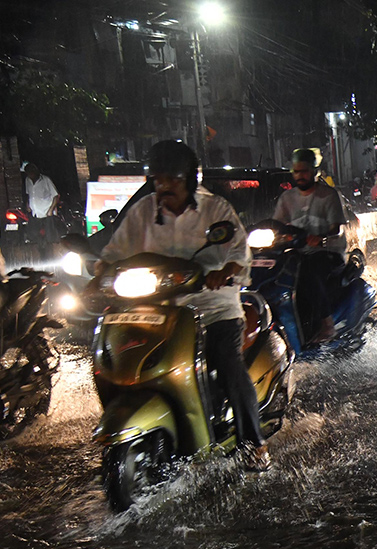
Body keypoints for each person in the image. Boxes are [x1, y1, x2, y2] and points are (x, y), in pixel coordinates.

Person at [97, 140, 269, 471]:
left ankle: (253, 444)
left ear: (190, 178)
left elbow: (238, 252)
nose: (163, 188)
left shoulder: (216, 209)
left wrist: (226, 270)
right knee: (114, 355)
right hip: (157, 310)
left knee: (228, 362)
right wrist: (99, 273)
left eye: (171, 180)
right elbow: (114, 252)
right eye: (158, 180)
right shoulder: (143, 212)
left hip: (212, 307)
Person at [273, 147, 347, 343]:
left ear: (314, 172)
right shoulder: (286, 198)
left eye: (304, 171)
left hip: (328, 252)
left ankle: (327, 325)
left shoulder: (328, 195)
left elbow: (337, 229)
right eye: (296, 171)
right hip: (297, 253)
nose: (300, 175)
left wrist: (321, 237)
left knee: (309, 273)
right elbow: (276, 225)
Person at [21, 162, 60, 245]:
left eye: (32, 172)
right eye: (28, 173)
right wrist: (27, 204)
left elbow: (56, 196)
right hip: (35, 213)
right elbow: (29, 194)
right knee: (34, 236)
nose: (30, 175)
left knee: (50, 237)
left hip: (47, 213)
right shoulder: (27, 180)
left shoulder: (46, 180)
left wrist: (51, 210)